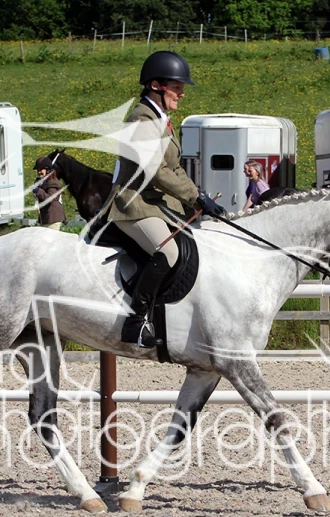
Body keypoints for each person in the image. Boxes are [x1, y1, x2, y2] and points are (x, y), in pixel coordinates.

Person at [104, 50, 225, 348]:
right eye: (177, 87)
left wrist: (199, 198)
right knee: (168, 252)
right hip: (132, 204)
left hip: (154, 203)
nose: (182, 94)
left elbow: (175, 169)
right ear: (156, 86)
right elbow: (156, 171)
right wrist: (195, 196)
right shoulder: (142, 119)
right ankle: (135, 322)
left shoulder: (161, 120)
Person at [32, 156, 66, 230]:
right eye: (37, 170)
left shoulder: (52, 182)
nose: (38, 172)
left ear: (47, 170)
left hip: (53, 219)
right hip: (46, 218)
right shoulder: (42, 181)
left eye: (41, 169)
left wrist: (38, 191)